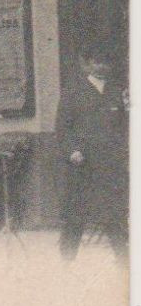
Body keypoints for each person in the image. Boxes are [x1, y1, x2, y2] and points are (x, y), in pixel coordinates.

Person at [57, 50, 129, 260]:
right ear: (86, 64)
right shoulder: (72, 92)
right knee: (75, 218)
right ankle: (66, 265)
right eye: (97, 61)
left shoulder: (117, 92)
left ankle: (125, 266)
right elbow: (62, 128)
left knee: (114, 217)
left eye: (106, 61)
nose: (102, 66)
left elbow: (125, 127)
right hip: (83, 166)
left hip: (110, 166)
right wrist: (72, 151)